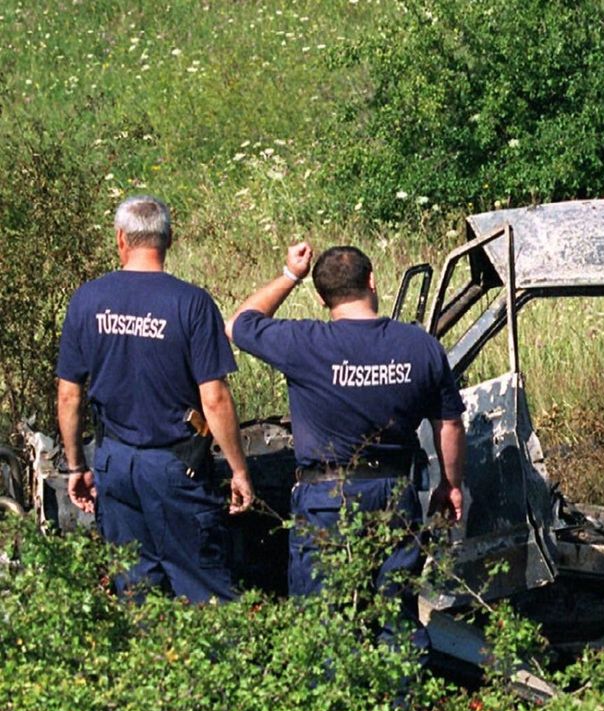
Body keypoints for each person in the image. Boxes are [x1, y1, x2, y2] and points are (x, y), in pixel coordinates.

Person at [224, 242, 465, 620]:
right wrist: (449, 484)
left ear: (321, 299)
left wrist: (290, 275)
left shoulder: (304, 343)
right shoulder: (421, 346)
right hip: (394, 497)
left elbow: (238, 324)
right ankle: (397, 680)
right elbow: (448, 423)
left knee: (325, 623)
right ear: (372, 280)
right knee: (395, 620)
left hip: (326, 499)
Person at [56, 194, 253, 603]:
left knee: (136, 591)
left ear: (121, 240)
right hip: (175, 466)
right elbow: (214, 399)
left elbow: (68, 395)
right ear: (170, 239)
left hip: (114, 461)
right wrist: (239, 470)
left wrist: (76, 465)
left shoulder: (88, 300)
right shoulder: (192, 303)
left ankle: (146, 665)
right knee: (204, 590)